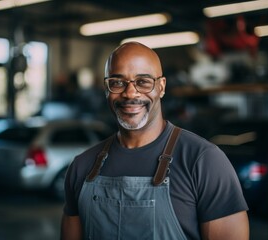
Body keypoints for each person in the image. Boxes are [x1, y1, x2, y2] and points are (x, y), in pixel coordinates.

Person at [61, 42, 249, 240]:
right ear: (106, 88)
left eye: (143, 82)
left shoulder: (204, 161)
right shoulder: (82, 167)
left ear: (161, 87)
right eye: (117, 82)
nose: (130, 93)